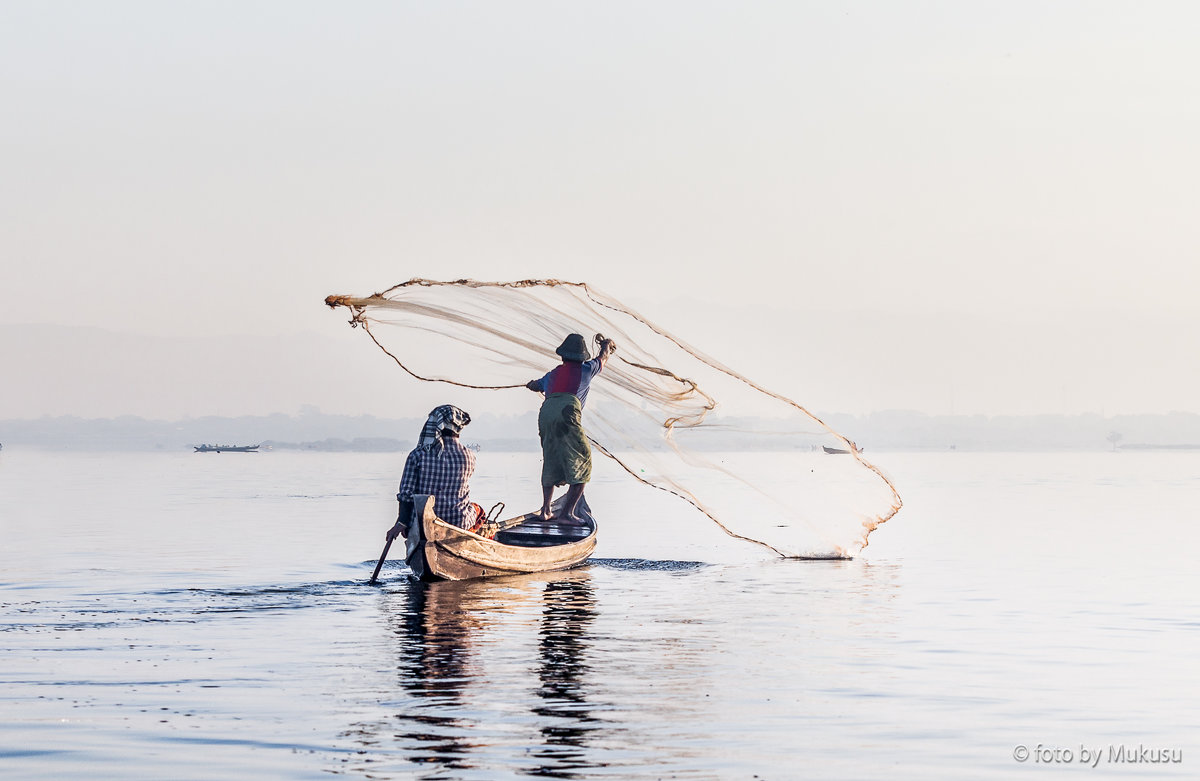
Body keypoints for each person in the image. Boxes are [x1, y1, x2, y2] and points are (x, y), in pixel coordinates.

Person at [526, 333, 616, 522]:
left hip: (546, 415)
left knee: (551, 458)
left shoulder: (553, 374)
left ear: (563, 356)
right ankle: (567, 513)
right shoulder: (587, 369)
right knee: (583, 459)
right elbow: (603, 358)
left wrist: (531, 384)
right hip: (567, 414)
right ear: (582, 357)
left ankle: (545, 511)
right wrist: (607, 346)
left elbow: (537, 386)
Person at [387, 405, 486, 542]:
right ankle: (467, 540)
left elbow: (406, 495)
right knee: (479, 511)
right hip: (458, 523)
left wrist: (401, 523)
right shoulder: (469, 456)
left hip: (423, 525)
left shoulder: (418, 455)